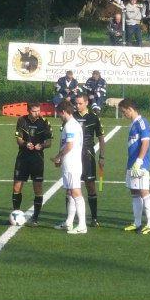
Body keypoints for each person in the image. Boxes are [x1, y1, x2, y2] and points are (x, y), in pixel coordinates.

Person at [12, 102, 52, 226]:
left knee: (38, 188)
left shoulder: (44, 122)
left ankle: (35, 217)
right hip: (23, 158)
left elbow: (49, 142)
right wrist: (25, 144)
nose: (37, 113)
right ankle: (16, 214)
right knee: (17, 187)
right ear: (29, 110)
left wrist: (42, 145)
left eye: (38, 110)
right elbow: (18, 139)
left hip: (37, 159)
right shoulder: (21, 120)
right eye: (34, 111)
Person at [52, 100, 87, 234]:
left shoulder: (70, 126)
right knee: (70, 192)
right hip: (69, 163)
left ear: (64, 112)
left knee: (75, 192)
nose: (59, 116)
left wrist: (58, 156)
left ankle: (82, 225)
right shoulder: (71, 124)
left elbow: (69, 145)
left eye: (59, 114)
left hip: (72, 164)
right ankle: (69, 222)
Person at [120, 98, 150, 234]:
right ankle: (137, 222)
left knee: (144, 192)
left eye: (124, 112)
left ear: (130, 109)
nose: (123, 115)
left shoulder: (141, 122)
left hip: (140, 165)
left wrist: (139, 161)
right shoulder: (133, 124)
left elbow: (145, 142)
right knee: (134, 192)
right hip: (131, 164)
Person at [73, 93, 105, 227]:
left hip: (88, 155)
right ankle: (72, 217)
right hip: (73, 155)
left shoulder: (93, 117)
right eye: (76, 103)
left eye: (80, 103)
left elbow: (101, 138)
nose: (77, 106)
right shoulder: (72, 117)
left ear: (86, 103)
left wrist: (102, 156)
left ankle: (94, 218)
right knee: (72, 186)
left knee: (90, 185)